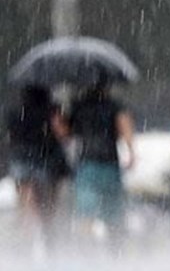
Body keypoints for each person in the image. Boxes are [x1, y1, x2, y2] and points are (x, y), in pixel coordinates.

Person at [65, 82, 136, 250]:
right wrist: (131, 152)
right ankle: (115, 252)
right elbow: (124, 126)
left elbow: (66, 133)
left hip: (87, 165)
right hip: (110, 164)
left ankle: (86, 252)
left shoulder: (77, 105)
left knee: (86, 214)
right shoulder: (114, 105)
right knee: (114, 215)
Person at [4, 85, 70, 253]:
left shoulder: (14, 112)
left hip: (20, 160)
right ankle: (49, 242)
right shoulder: (50, 111)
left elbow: (10, 136)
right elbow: (62, 134)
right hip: (45, 160)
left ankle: (23, 244)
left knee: (25, 205)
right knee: (47, 206)